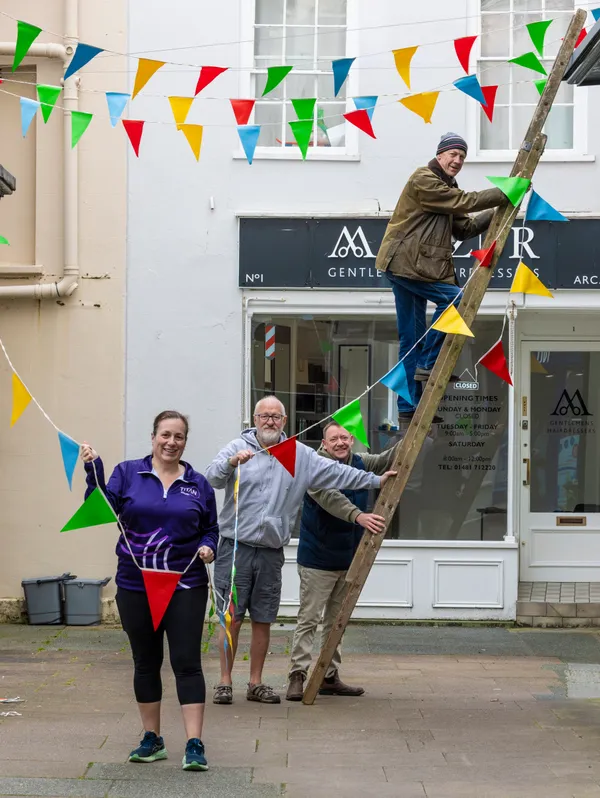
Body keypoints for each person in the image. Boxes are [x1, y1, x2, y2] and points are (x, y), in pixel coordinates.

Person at [206, 395, 397, 705]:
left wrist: (374, 480)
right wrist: (231, 463)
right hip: (235, 547)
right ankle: (225, 682)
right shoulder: (236, 447)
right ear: (254, 420)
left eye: (276, 417)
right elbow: (212, 478)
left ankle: (255, 683)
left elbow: (338, 473)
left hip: (270, 550)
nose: (269, 421)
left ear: (284, 422)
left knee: (263, 619)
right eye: (264, 415)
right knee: (231, 618)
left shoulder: (298, 454)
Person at [80, 411, 218, 772]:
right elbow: (103, 508)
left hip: (186, 583)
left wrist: (209, 547)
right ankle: (151, 739)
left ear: (185, 441)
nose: (171, 442)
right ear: (153, 436)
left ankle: (194, 744)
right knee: (146, 661)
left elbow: (211, 529)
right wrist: (93, 472)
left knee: (186, 662)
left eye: (179, 437)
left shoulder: (198, 484)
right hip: (134, 582)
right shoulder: (127, 473)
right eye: (165, 435)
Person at [375, 132, 506, 422]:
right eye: (453, 154)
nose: (458, 161)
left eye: (462, 157)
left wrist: (500, 209)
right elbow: (462, 201)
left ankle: (409, 408)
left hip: (415, 267)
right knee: (458, 300)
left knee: (410, 339)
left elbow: (465, 228)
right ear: (440, 155)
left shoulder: (446, 187)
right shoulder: (424, 179)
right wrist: (505, 192)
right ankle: (427, 362)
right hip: (405, 263)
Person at [286, 420, 401, 701]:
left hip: (349, 558)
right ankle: (297, 676)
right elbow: (329, 497)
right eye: (334, 439)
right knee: (309, 619)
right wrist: (359, 515)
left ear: (352, 440)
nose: (340, 443)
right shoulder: (313, 466)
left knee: (337, 621)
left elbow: (389, 458)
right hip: (317, 558)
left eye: (345, 438)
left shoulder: (360, 461)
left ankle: (328, 676)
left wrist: (412, 430)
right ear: (323, 444)